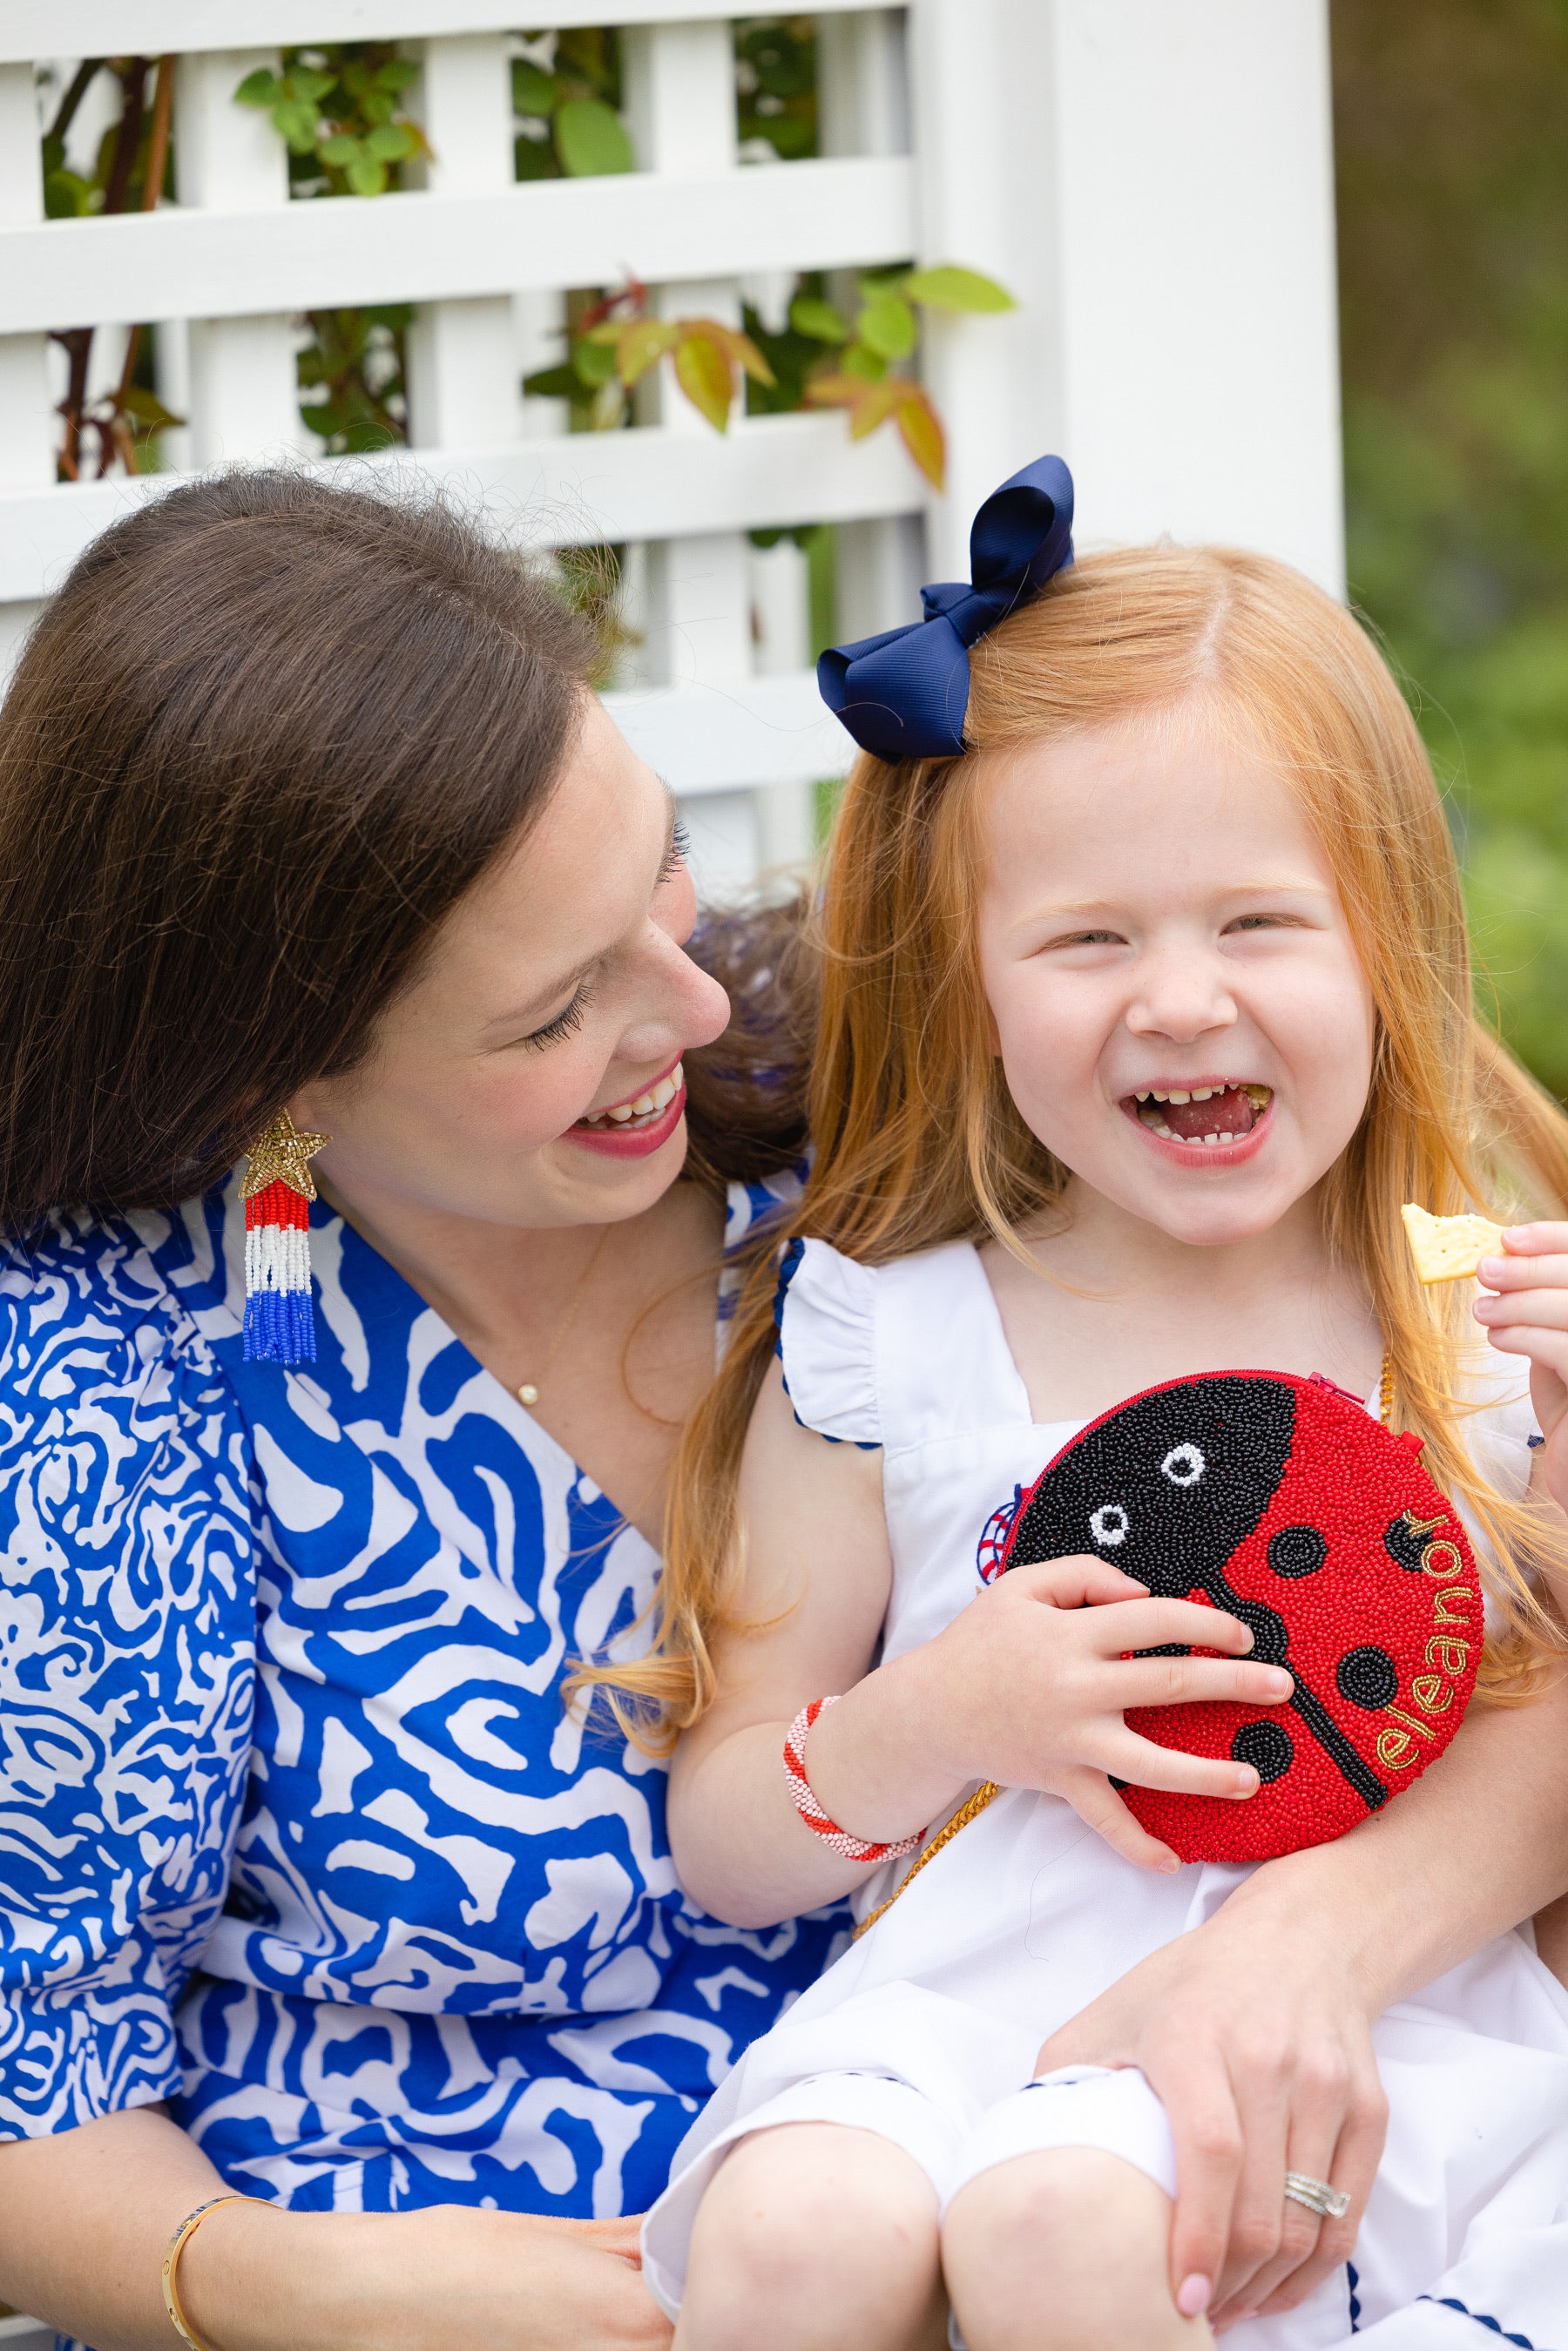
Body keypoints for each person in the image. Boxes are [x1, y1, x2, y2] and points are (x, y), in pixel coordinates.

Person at [596, 459, 1568, 2349]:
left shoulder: (1465, 1309)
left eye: (1259, 924)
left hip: (1367, 2016)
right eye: (1091, 940)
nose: (1181, 1002)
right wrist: (941, 1713)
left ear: (1390, 936)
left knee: (1066, 2220)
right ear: (969, 985)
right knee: (789, 2234)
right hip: (962, 2000)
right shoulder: (895, 1330)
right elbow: (727, 1830)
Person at [0, 470, 841, 2351]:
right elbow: (24, 2065)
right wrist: (287, 2286)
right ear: (279, 1078)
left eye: (665, 876)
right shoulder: (100, 1385)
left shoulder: (883, 1142)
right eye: (557, 1014)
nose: (694, 1008)